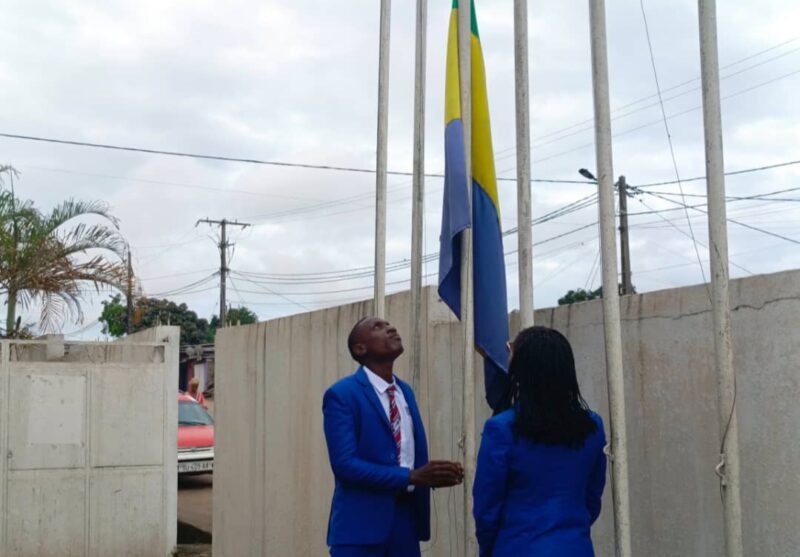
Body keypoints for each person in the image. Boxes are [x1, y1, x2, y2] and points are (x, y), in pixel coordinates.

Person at [323, 317, 464, 557]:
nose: (391, 327)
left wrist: (433, 476)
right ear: (360, 349)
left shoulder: (404, 391)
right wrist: (411, 476)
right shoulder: (342, 395)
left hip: (405, 524)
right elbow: (344, 465)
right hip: (359, 530)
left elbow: (407, 454)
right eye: (378, 327)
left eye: (389, 324)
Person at [473, 326, 607, 557]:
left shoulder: (501, 429)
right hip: (575, 547)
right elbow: (592, 499)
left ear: (522, 370)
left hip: (516, 547)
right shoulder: (593, 426)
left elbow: (487, 510)